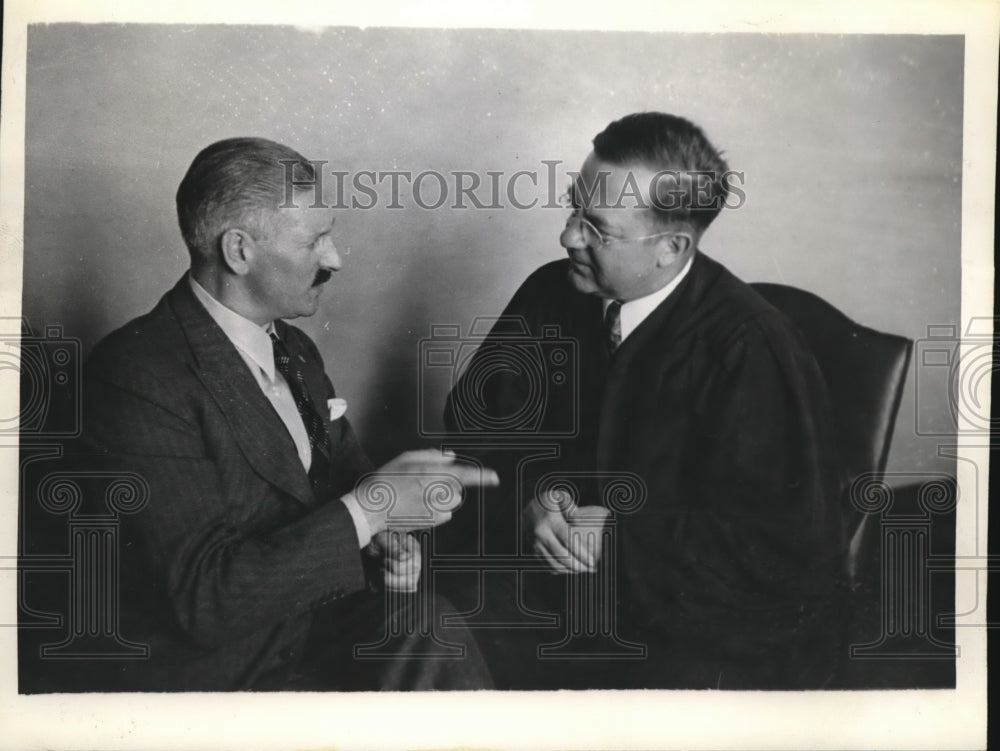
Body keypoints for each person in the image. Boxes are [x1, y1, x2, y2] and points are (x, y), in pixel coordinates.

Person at [443, 112, 850, 689]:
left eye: (596, 228)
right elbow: (473, 427)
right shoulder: (548, 294)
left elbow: (782, 547)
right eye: (573, 209)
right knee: (426, 628)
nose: (568, 237)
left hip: (694, 631)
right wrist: (533, 496)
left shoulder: (751, 349)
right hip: (554, 588)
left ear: (671, 247)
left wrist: (618, 535)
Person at [74, 137, 498, 691]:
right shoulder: (135, 374)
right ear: (239, 252)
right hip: (218, 676)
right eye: (315, 241)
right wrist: (373, 507)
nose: (335, 259)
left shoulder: (295, 350)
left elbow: (346, 500)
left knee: (430, 620)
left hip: (307, 634)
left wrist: (387, 545)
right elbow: (206, 602)